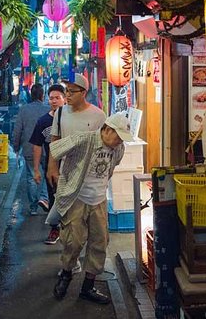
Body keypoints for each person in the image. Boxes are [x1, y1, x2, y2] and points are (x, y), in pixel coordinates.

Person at [50, 113, 134, 304]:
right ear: (107, 129)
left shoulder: (118, 148)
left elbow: (110, 169)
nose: (120, 141)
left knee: (99, 242)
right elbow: (55, 149)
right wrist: (54, 171)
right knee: (74, 242)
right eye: (118, 136)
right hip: (76, 198)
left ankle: (88, 286)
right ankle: (66, 275)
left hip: (99, 200)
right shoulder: (83, 139)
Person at [45, 73, 106, 245]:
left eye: (72, 92)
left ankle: (90, 267)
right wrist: (52, 167)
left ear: (84, 93)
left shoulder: (98, 115)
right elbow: (55, 141)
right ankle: (70, 261)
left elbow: (105, 146)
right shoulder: (61, 113)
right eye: (67, 91)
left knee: (95, 228)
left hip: (92, 177)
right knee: (71, 223)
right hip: (68, 173)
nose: (68, 96)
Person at [29, 84, 67, 237]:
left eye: (57, 98)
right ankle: (54, 228)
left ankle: (71, 229)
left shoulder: (71, 119)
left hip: (71, 166)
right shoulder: (43, 121)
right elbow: (37, 146)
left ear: (64, 99)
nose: (54, 101)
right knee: (53, 197)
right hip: (52, 167)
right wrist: (36, 170)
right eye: (51, 98)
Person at [11, 83, 51, 215]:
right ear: (42, 95)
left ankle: (33, 207)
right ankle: (44, 198)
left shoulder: (23, 110)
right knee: (47, 174)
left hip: (29, 148)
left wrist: (16, 147)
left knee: (31, 177)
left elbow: (17, 130)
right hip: (46, 148)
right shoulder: (48, 109)